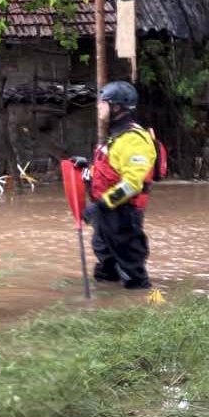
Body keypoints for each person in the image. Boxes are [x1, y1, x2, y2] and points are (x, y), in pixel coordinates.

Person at [71, 81, 157, 290]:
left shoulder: (134, 140)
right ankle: (107, 309)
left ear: (117, 107)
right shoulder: (116, 138)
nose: (98, 106)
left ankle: (145, 310)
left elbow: (131, 185)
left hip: (124, 216)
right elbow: (109, 173)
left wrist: (100, 206)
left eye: (103, 103)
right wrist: (86, 167)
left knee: (133, 276)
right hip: (108, 216)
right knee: (106, 271)